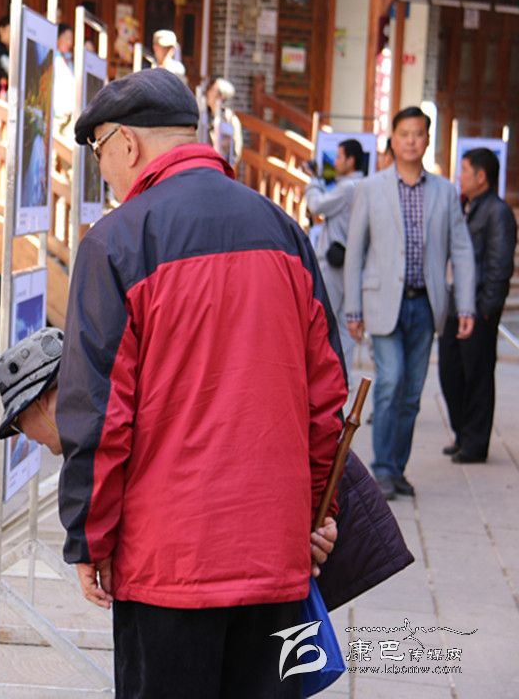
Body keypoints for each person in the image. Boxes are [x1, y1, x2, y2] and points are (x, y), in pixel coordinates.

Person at [56, 68, 348, 698]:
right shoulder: (284, 231)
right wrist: (313, 513)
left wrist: (89, 536)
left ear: (126, 143)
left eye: (99, 153)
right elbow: (327, 398)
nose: (105, 172)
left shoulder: (117, 242)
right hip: (275, 555)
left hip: (169, 562)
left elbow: (99, 416)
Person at [0, 328, 414, 619]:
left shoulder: (122, 416)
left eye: (21, 426)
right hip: (252, 556)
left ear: (45, 402)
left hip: (213, 575)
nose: (26, 439)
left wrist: (318, 516)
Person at [343, 106, 476, 501]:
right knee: (391, 380)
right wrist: (353, 308)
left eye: (418, 133)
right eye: (404, 134)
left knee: (413, 393)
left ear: (427, 139)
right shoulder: (371, 188)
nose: (411, 141)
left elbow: (461, 250)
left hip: (425, 305)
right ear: (393, 140)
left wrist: (465, 306)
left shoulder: (445, 192)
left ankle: (397, 468)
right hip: (384, 302)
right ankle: (382, 469)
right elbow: (355, 251)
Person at [438, 148, 517, 463]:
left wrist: (485, 309)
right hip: (456, 307)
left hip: (479, 310)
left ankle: (475, 444)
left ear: (481, 176)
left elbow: (499, 266)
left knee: (477, 378)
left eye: (465, 171)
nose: (460, 177)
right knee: (451, 373)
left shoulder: (497, 212)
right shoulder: (466, 207)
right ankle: (462, 434)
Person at [305, 138, 366, 374]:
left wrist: (313, 182)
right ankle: (343, 378)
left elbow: (317, 206)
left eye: (340, 157)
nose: (336, 162)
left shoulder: (348, 187)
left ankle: (333, 379)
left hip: (335, 266)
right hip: (351, 263)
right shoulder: (361, 185)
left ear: (351, 160)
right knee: (344, 326)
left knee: (327, 323)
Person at [197, 76, 243, 167]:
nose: (209, 93)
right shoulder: (202, 116)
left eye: (213, 90)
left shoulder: (231, 120)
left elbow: (236, 151)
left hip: (221, 167)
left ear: (221, 96)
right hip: (202, 167)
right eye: (210, 89)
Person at [53, 23, 76, 134]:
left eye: (71, 39)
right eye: (67, 38)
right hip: (55, 113)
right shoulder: (52, 59)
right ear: (58, 38)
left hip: (69, 114)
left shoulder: (70, 61)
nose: (69, 43)